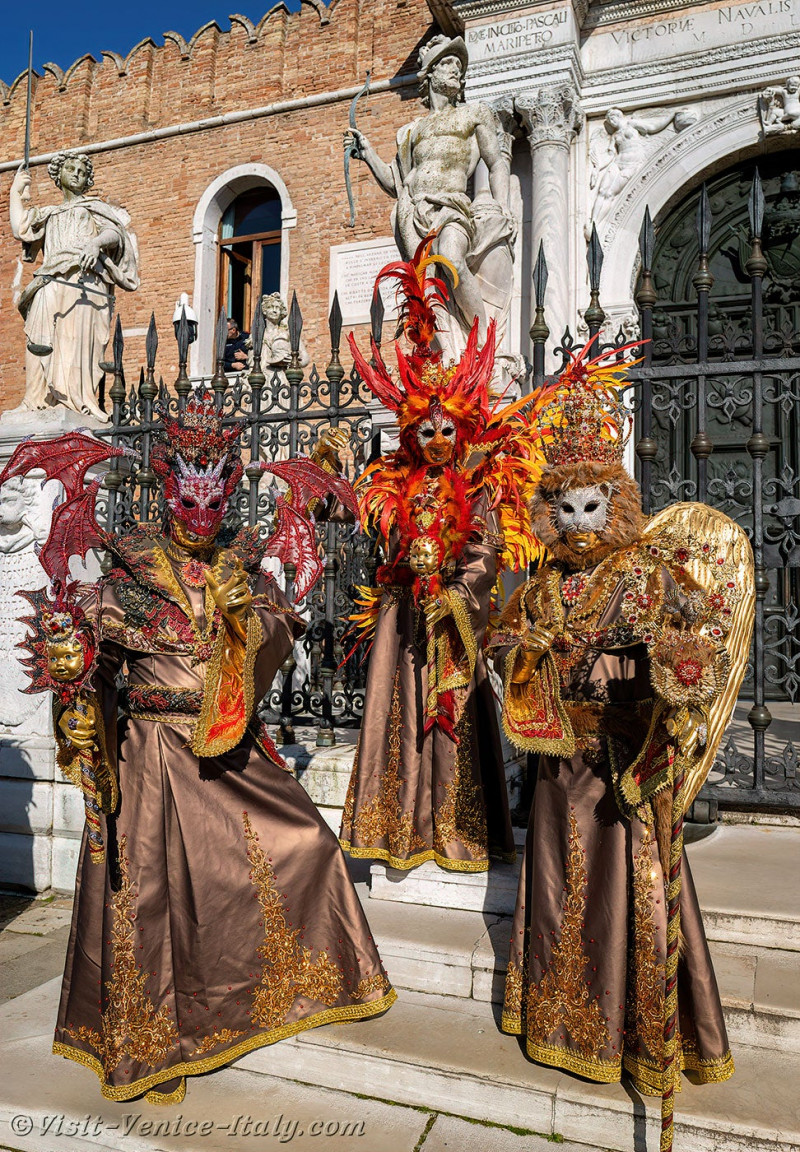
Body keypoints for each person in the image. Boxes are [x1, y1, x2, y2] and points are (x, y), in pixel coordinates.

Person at [9, 394, 394, 1103]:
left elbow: (275, 644)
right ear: (166, 492)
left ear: (229, 494)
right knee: (152, 900)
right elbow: (93, 664)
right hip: (150, 757)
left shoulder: (243, 565)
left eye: (214, 503)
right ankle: (155, 1047)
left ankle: (273, 993)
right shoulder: (125, 570)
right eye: (188, 502)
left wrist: (246, 618)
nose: (201, 518)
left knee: (306, 841)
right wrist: (75, 684)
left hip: (227, 744)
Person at [491, 348, 753, 1137]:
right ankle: (562, 1021)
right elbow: (504, 644)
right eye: (564, 509)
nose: (577, 524)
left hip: (621, 769)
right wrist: (527, 652)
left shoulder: (646, 574)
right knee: (559, 895)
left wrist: (659, 659)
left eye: (591, 507)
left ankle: (637, 1039)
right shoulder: (541, 582)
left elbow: (690, 645)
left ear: (616, 505)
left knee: (629, 896)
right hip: (556, 767)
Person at [338, 239, 544, 873]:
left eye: (446, 428)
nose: (435, 439)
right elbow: (377, 537)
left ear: (463, 429)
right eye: (425, 430)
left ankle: (455, 830)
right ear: (410, 433)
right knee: (399, 714)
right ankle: (401, 830)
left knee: (452, 718)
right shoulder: (392, 482)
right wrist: (404, 559)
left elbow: (488, 550)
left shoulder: (478, 485)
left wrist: (455, 588)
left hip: (452, 621)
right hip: (403, 621)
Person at [344, 35, 515, 361]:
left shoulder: (474, 114)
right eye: (448, 63)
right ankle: (447, 354)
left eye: (459, 66)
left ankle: (484, 344)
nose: (456, 71)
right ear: (430, 73)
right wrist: (367, 154)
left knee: (451, 258)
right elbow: (396, 182)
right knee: (425, 285)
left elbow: (496, 163)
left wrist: (504, 208)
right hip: (412, 209)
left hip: (452, 204)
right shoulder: (410, 131)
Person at [9, 152, 139, 421]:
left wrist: (96, 243)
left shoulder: (94, 207)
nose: (77, 174)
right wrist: (16, 192)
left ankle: (73, 400)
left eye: (82, 171)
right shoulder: (49, 213)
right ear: (59, 175)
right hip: (49, 279)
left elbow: (115, 233)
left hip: (83, 280)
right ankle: (36, 399)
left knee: (74, 338)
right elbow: (20, 228)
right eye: (70, 169)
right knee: (39, 336)